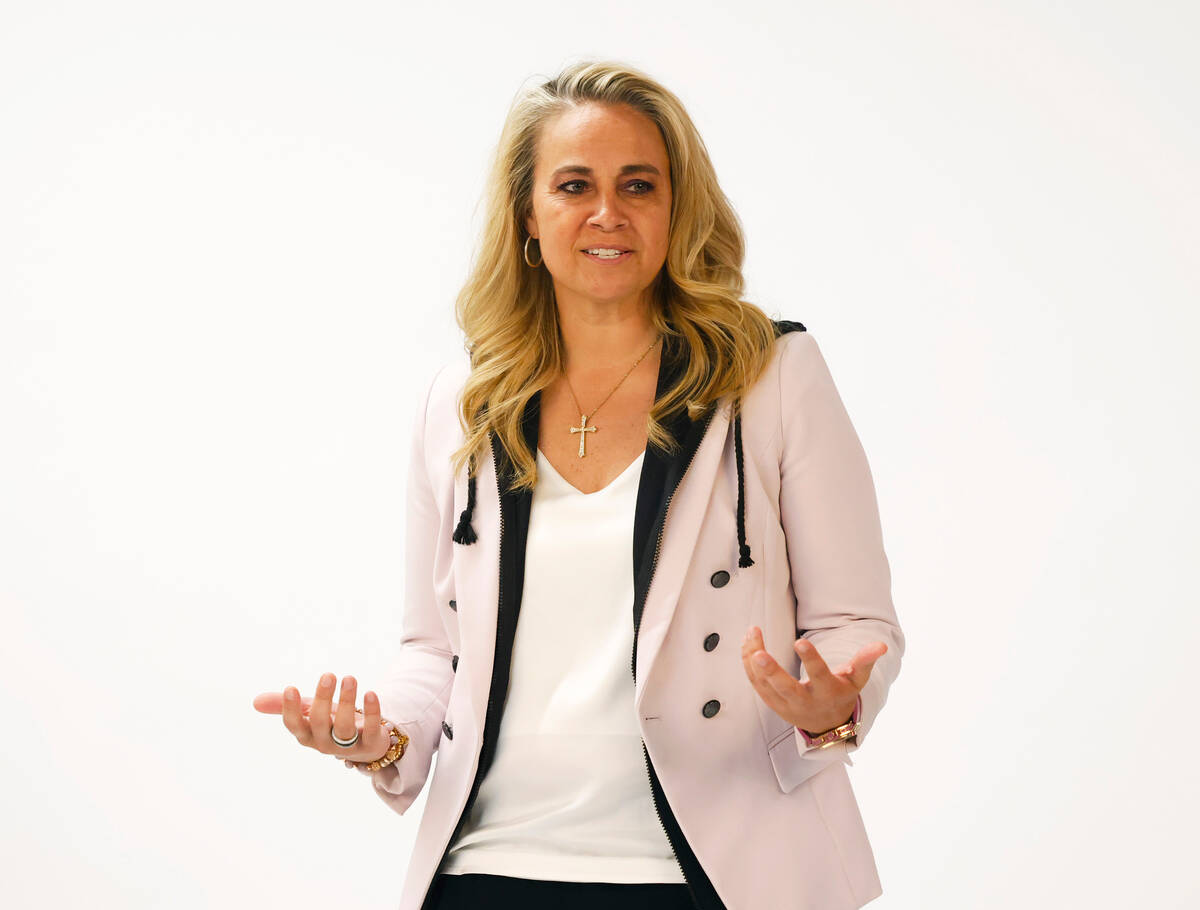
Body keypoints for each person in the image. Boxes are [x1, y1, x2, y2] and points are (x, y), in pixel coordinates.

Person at [253, 59, 904, 910]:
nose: (608, 213)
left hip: (715, 870)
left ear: (678, 208)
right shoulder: (461, 403)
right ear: (529, 212)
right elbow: (434, 650)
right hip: (487, 867)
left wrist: (834, 707)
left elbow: (856, 622)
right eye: (573, 186)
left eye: (639, 184)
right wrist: (380, 738)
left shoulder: (772, 376)